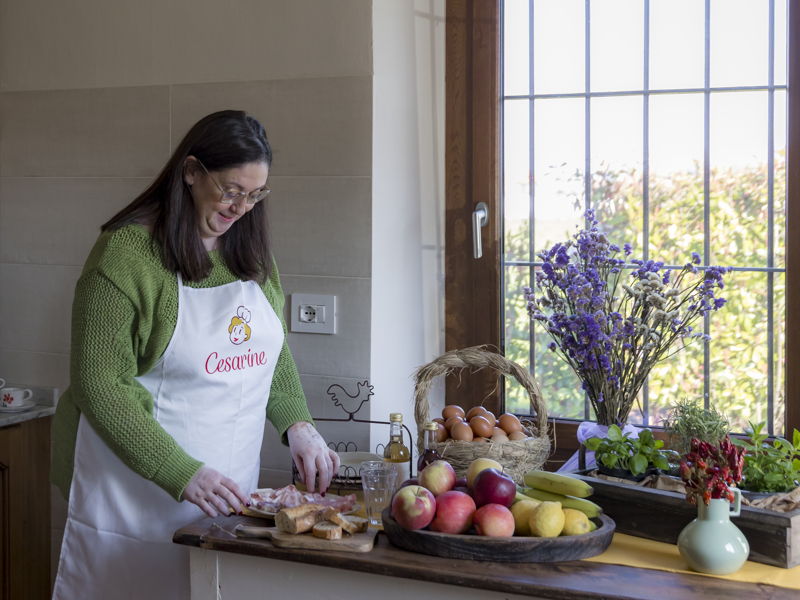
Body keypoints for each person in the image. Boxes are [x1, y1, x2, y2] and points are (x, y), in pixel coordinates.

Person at [51, 110, 340, 599]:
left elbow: (269, 351)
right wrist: (179, 472)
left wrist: (298, 425)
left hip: (225, 483)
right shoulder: (125, 257)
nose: (241, 207)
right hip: (134, 489)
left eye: (255, 195)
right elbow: (99, 386)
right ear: (190, 172)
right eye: (230, 190)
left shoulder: (248, 251)